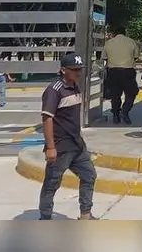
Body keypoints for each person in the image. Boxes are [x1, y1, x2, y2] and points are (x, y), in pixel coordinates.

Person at [38, 53, 97, 220]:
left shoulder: (75, 86)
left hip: (77, 144)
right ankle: (45, 217)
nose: (78, 73)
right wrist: (51, 147)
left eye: (80, 69)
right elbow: (47, 118)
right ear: (64, 70)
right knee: (52, 183)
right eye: (75, 70)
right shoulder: (54, 90)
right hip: (61, 146)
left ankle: (85, 214)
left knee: (89, 175)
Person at [103, 25, 140, 124]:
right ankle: (125, 111)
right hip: (128, 71)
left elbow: (104, 57)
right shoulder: (132, 42)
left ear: (114, 33)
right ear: (125, 32)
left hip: (113, 71)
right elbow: (136, 56)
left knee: (115, 94)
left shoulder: (109, 42)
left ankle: (116, 115)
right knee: (131, 93)